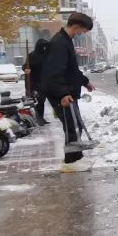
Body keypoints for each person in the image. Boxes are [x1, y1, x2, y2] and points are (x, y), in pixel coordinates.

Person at [42, 12, 97, 172]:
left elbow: (71, 70)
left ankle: (76, 159)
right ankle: (70, 163)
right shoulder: (59, 43)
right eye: (84, 31)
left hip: (68, 92)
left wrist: (85, 82)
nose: (83, 34)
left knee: (74, 125)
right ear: (76, 27)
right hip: (62, 94)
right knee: (71, 127)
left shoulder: (66, 41)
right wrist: (62, 94)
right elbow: (54, 72)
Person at [24, 38, 51, 125]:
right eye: (43, 47)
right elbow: (25, 66)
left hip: (44, 81)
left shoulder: (47, 55)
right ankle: (38, 118)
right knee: (38, 101)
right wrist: (26, 69)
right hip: (35, 82)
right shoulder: (32, 56)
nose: (44, 48)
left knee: (42, 101)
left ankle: (41, 118)